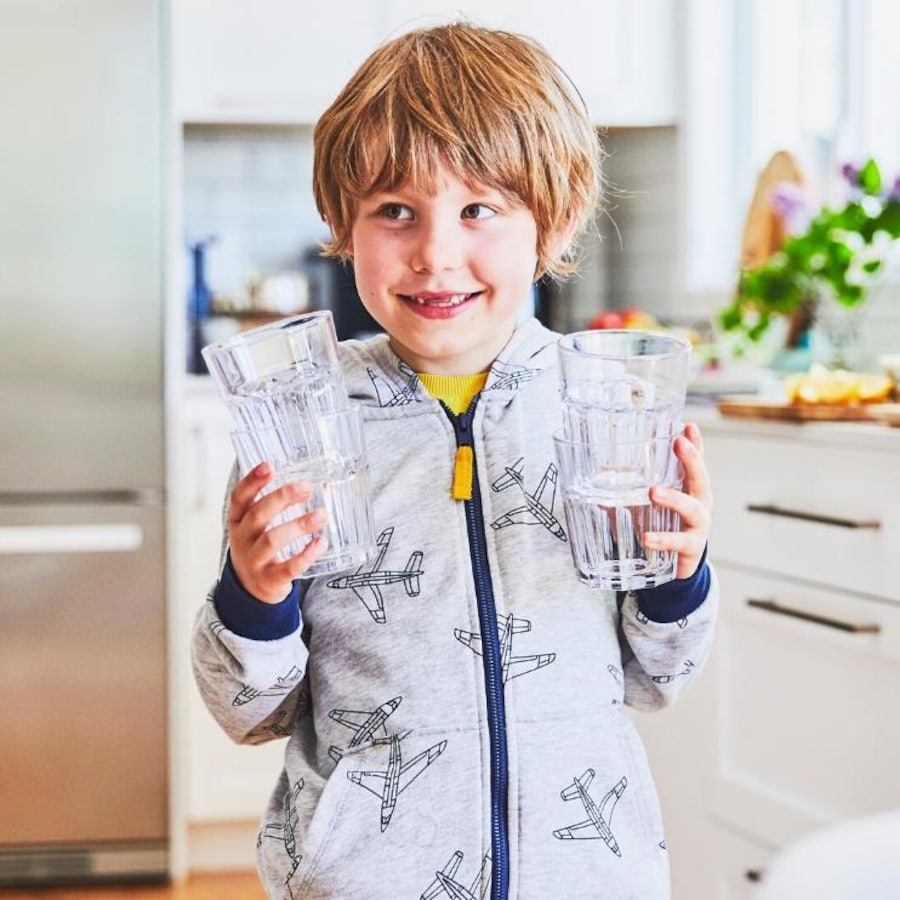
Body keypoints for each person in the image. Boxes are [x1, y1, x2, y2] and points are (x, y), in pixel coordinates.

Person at [192, 21, 717, 900]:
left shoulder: (602, 408)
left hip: (587, 878)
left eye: (479, 209)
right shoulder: (305, 429)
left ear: (551, 222)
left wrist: (679, 578)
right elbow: (251, 710)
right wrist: (255, 593)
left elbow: (656, 677)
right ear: (342, 227)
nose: (436, 251)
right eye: (395, 210)